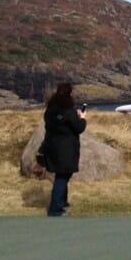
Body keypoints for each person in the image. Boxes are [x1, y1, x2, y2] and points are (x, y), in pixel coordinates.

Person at [41, 82, 87, 216]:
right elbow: (79, 128)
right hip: (65, 148)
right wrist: (83, 118)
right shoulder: (68, 111)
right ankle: (55, 208)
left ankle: (62, 201)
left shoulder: (50, 110)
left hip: (52, 145)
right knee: (63, 176)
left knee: (62, 174)